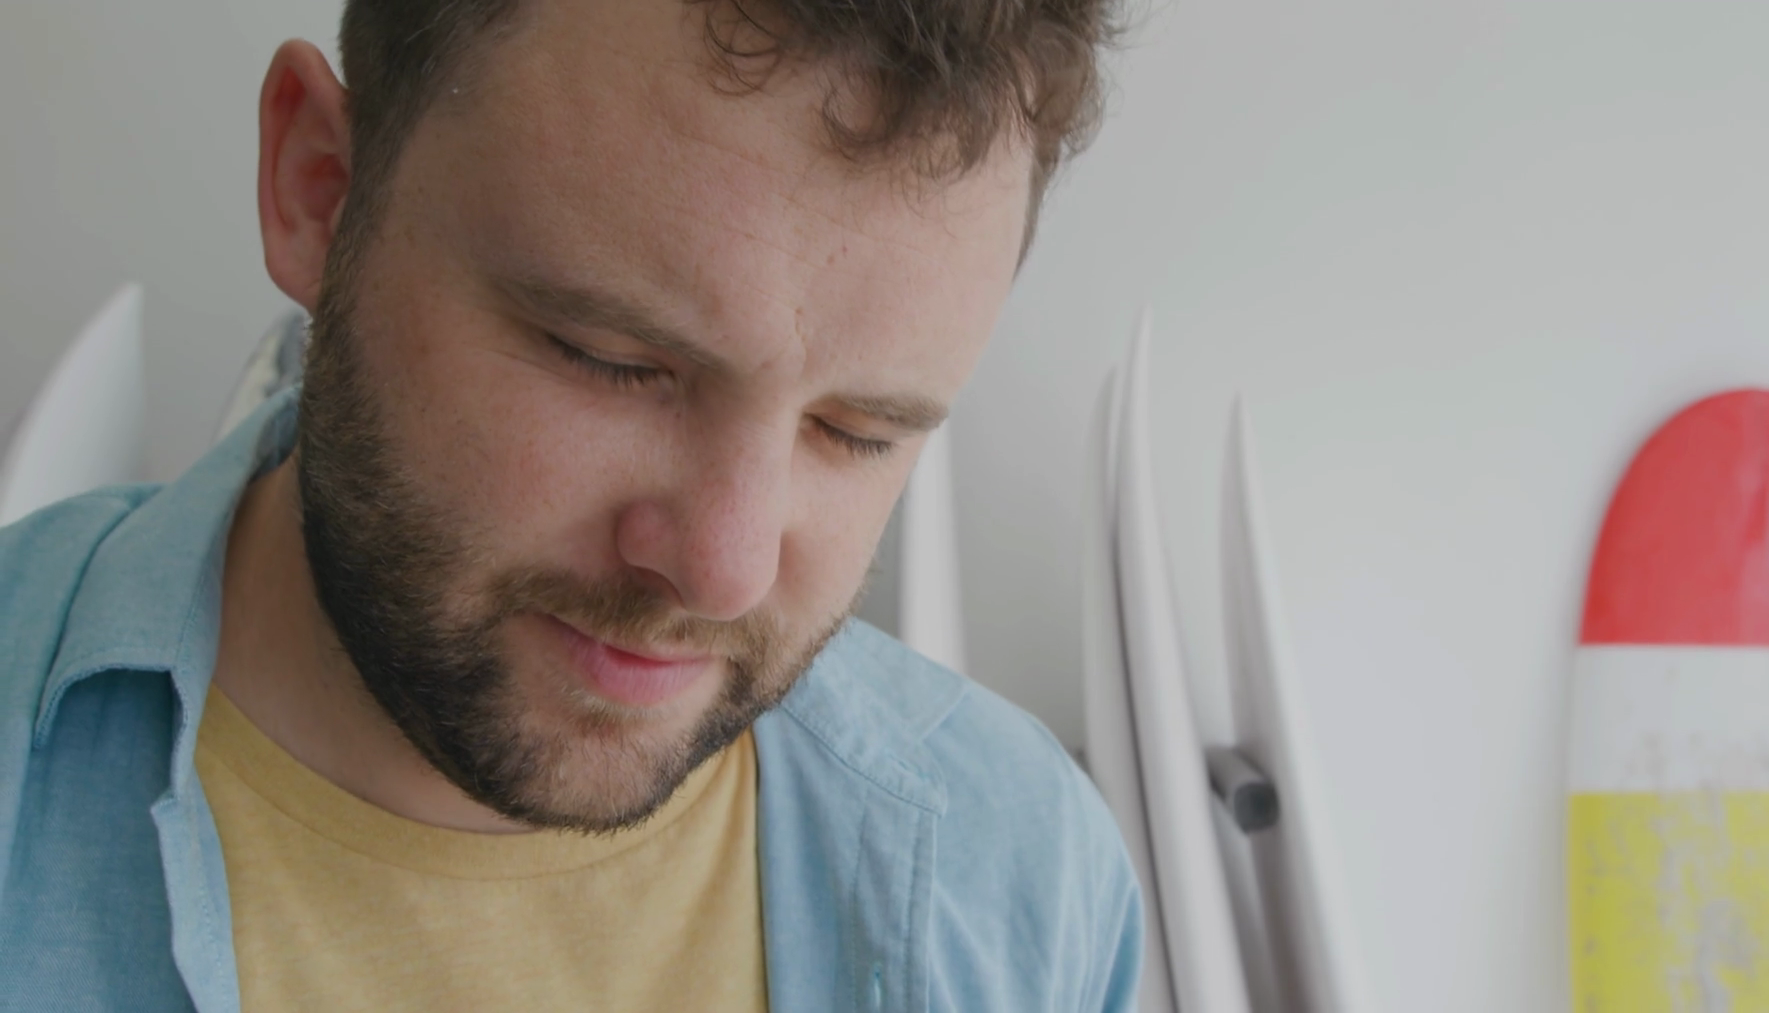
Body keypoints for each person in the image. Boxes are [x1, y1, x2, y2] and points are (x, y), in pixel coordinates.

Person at [0, 0, 1141, 1009]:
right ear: (322, 191)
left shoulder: (1030, 880)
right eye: (611, 360)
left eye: (859, 433)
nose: (724, 569)